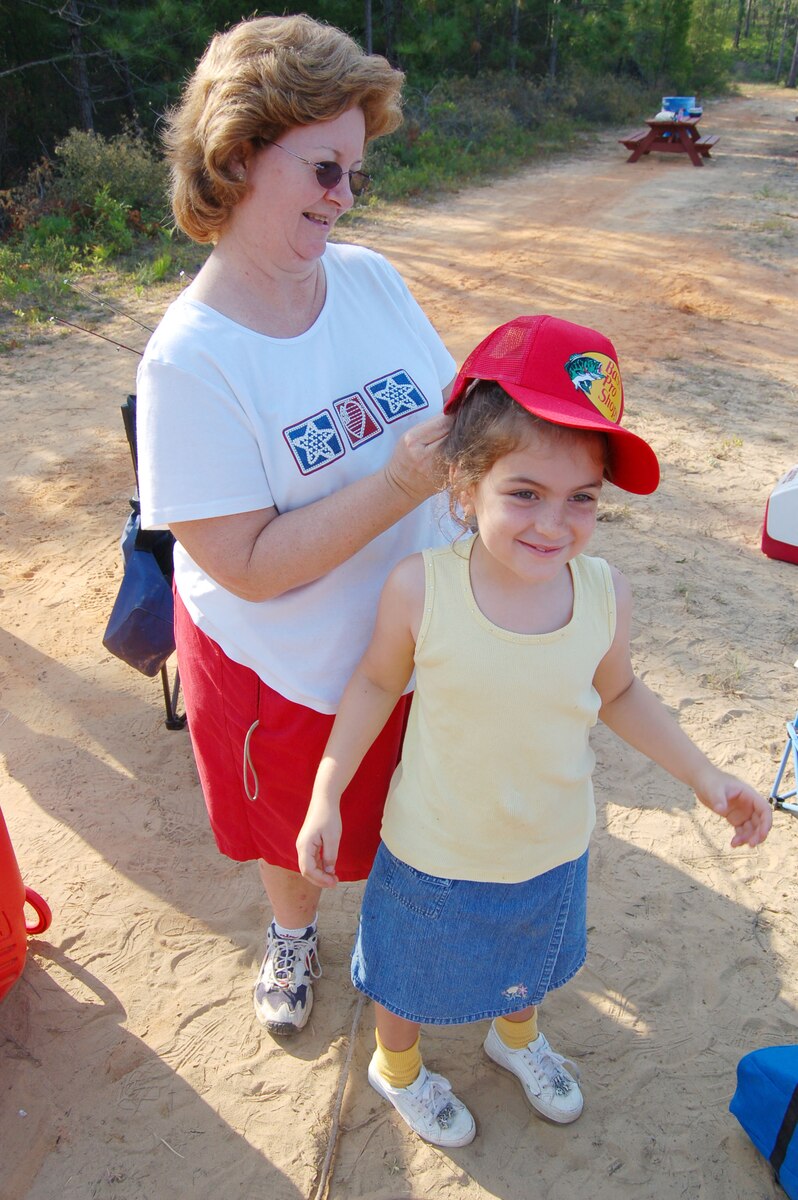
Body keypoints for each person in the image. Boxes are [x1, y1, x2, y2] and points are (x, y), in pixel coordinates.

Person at [296, 314, 773, 1147]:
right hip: (436, 851)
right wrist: (326, 790)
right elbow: (375, 684)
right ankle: (397, 1069)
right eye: (525, 493)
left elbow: (620, 693)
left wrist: (704, 776)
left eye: (581, 499)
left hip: (552, 843)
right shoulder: (421, 591)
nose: (555, 524)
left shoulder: (602, 594)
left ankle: (514, 1037)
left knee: (528, 962)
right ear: (463, 484)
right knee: (409, 979)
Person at [136, 14, 456, 1038]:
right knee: (294, 831)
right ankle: (290, 935)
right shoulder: (190, 361)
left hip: (411, 640)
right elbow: (250, 565)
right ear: (236, 157)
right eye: (325, 170)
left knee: (409, 812)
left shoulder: (369, 279)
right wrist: (404, 484)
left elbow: (455, 410)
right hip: (283, 665)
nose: (345, 197)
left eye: (356, 173)